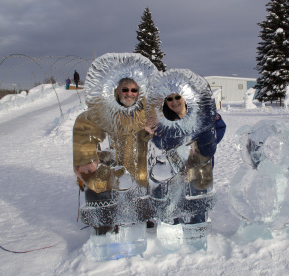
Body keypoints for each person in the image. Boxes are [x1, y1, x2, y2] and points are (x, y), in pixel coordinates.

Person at [72, 53, 157, 259]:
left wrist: (150, 131)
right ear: (116, 91)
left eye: (134, 90)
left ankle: (138, 220)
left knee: (137, 215)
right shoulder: (94, 117)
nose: (129, 93)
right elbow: (84, 159)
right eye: (125, 89)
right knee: (105, 222)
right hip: (107, 181)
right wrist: (108, 175)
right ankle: (105, 233)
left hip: (138, 180)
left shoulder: (146, 116)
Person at [145, 69, 225, 250]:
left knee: (197, 208)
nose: (174, 102)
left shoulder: (202, 116)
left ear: (185, 97)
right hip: (175, 174)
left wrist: (202, 144)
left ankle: (196, 245)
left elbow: (218, 129)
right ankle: (173, 245)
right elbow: (160, 145)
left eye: (177, 97)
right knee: (173, 207)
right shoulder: (163, 122)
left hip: (200, 171)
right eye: (169, 99)